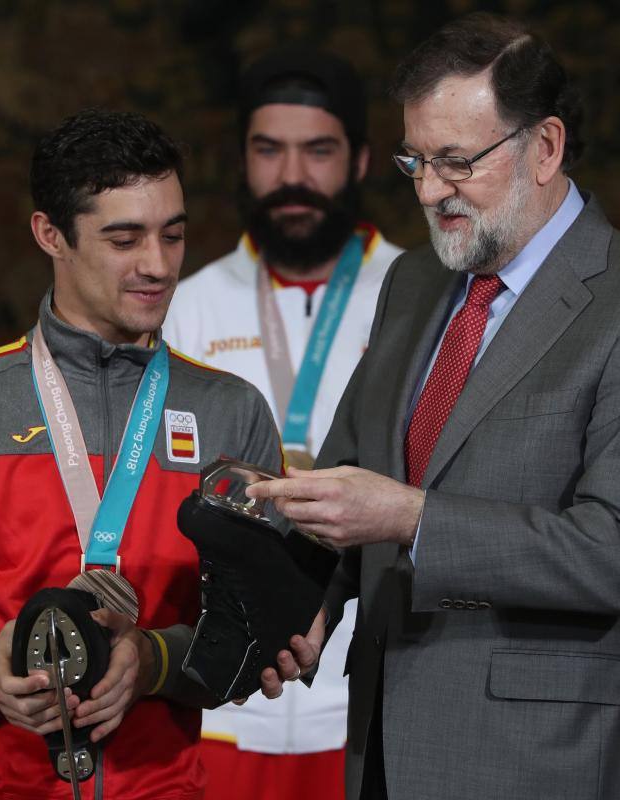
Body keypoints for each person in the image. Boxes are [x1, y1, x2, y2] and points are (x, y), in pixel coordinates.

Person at [249, 13, 620, 800]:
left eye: (455, 162)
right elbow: (354, 477)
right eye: (414, 159)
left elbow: (608, 550)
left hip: (535, 759)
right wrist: (308, 603)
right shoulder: (415, 284)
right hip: (378, 744)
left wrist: (414, 519)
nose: (426, 191)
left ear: (545, 148)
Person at [0, 108, 282, 800]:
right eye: (124, 239)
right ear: (51, 235)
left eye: (173, 235)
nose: (157, 265)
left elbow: (265, 635)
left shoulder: (231, 410)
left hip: (162, 785)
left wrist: (154, 659)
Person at [163, 47, 403, 800]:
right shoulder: (187, 304)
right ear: (241, 160)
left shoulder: (418, 298)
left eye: (317, 150)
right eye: (268, 150)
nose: (291, 175)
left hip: (366, 697)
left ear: (360, 159)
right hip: (223, 706)